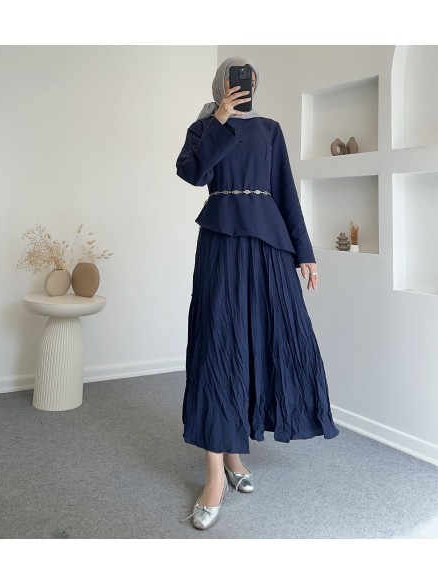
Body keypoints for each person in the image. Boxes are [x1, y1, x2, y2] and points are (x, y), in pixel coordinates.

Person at [176, 56, 339, 530]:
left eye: (247, 80)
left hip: (269, 247)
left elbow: (285, 192)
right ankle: (215, 476)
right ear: (221, 84)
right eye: (234, 79)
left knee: (262, 345)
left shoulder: (270, 130)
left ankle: (234, 454)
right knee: (218, 349)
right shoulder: (203, 128)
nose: (241, 85)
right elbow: (193, 174)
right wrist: (220, 119)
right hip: (222, 245)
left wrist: (305, 252)